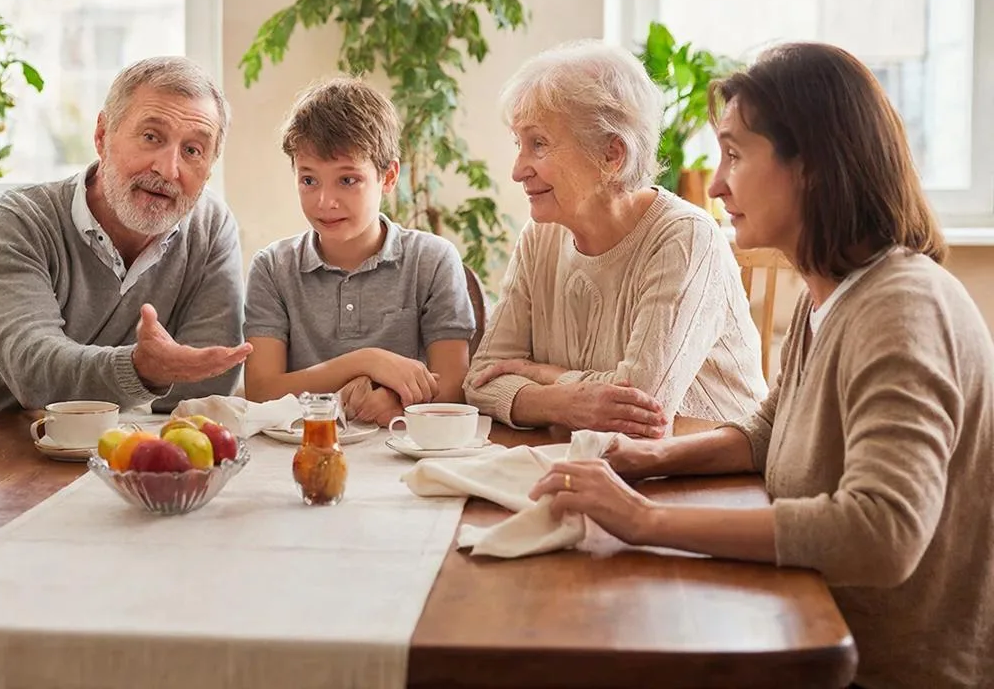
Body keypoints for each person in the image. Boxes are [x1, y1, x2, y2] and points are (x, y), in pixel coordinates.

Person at [535, 42, 994, 689]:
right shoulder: (836, 293)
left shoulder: (901, 311)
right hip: (809, 631)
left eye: (735, 154)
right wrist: (643, 460)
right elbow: (768, 432)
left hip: (885, 670)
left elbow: (882, 532)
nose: (717, 184)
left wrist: (648, 521)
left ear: (811, 165)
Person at [0, 56, 252, 431]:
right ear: (102, 135)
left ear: (210, 167)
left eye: (193, 150)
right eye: (151, 137)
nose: (168, 169)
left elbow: (204, 386)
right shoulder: (12, 221)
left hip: (116, 457)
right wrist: (140, 369)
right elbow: (35, 375)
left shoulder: (210, 226)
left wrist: (144, 377)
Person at [463, 40, 766, 437]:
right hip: (596, 463)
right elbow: (480, 382)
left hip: (714, 476)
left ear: (612, 155)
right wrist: (567, 403)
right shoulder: (541, 236)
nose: (519, 170)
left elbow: (639, 408)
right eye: (519, 144)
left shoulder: (685, 237)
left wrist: (541, 375)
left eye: (538, 144)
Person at [243, 77, 475, 424]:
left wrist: (399, 401)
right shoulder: (272, 268)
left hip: (402, 448)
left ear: (389, 177)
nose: (325, 201)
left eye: (347, 180)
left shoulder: (432, 260)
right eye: (309, 180)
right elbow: (261, 391)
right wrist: (364, 361)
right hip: (302, 449)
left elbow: (454, 385)